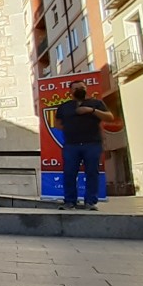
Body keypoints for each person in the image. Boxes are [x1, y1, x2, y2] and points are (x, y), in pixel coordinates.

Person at [56, 79, 112, 211]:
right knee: (69, 173)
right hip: (71, 145)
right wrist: (72, 128)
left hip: (92, 143)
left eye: (82, 87)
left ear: (86, 89)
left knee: (92, 172)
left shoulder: (96, 103)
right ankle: (69, 202)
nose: (79, 90)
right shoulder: (64, 106)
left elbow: (109, 117)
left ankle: (90, 202)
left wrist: (91, 110)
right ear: (70, 91)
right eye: (76, 88)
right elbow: (57, 124)